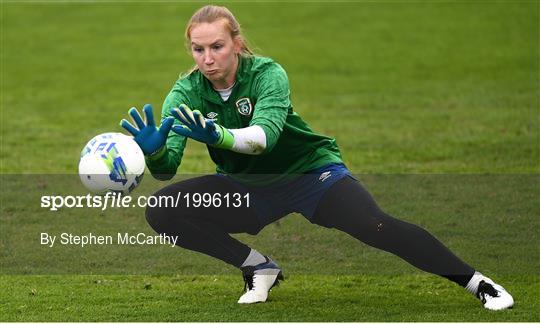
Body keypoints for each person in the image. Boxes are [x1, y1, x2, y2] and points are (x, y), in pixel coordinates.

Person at [120, 5, 514, 309]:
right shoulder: (186, 91)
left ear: (237, 44)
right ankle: (258, 266)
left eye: (217, 47)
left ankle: (476, 282)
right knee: (162, 209)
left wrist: (219, 135)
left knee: (375, 226)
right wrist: (155, 151)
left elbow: (263, 139)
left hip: (309, 174)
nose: (207, 58)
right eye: (198, 48)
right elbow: (167, 168)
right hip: (248, 189)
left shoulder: (267, 74)